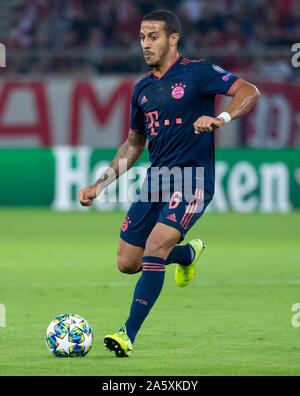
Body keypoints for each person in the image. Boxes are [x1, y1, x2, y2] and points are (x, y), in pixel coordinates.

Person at [79, 10, 260, 357]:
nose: (145, 44)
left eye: (153, 37)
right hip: (157, 180)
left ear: (173, 38)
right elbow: (134, 143)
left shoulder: (199, 72)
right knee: (127, 262)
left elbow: (249, 91)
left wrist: (221, 118)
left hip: (193, 178)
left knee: (156, 245)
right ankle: (187, 254)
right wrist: (99, 184)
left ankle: (126, 333)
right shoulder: (143, 89)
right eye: (142, 37)